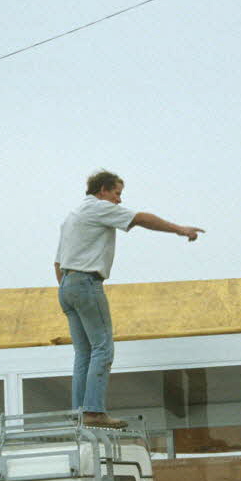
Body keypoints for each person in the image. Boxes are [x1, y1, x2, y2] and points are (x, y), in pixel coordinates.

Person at [54, 170, 204, 428]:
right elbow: (141, 218)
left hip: (67, 284)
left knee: (84, 352)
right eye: (117, 193)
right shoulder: (98, 208)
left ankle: (80, 411)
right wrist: (180, 229)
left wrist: (71, 288)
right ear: (102, 190)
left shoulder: (72, 217)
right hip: (86, 282)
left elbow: (57, 263)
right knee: (102, 348)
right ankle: (94, 412)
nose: (119, 200)